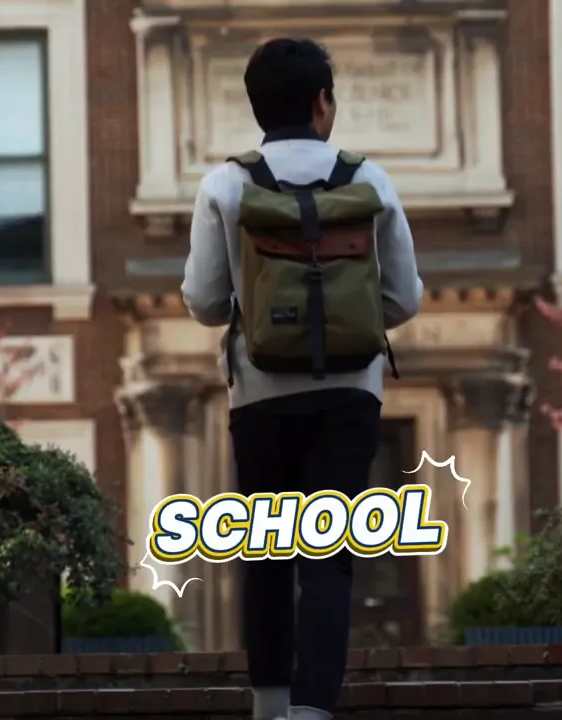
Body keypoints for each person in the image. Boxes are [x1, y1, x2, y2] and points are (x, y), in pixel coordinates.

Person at [181, 38, 423, 720]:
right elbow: (404, 299)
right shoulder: (369, 180)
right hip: (351, 392)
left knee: (266, 550)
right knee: (330, 555)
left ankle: (269, 703)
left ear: (257, 106)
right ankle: (314, 709)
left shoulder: (226, 184)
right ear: (324, 104)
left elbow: (202, 303)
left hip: (258, 396)